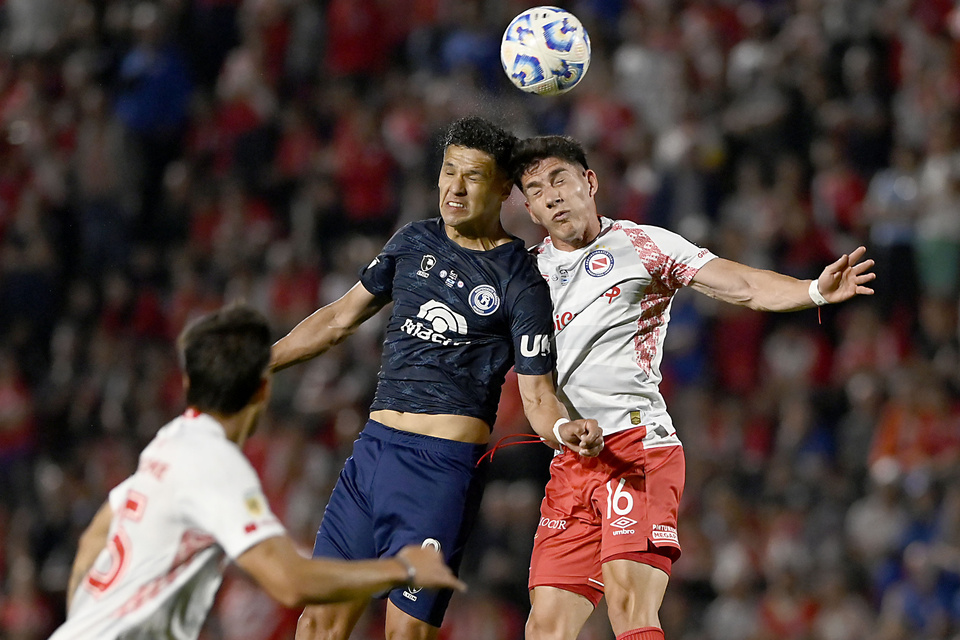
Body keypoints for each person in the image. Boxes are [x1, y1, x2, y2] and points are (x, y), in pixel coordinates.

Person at [509, 135, 876, 640]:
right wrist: (562, 429)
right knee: (545, 626)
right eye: (535, 188)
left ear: (589, 183)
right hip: (571, 462)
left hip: (636, 448)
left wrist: (811, 290)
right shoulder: (525, 277)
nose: (550, 195)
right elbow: (535, 393)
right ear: (528, 208)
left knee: (628, 603)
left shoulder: (644, 245)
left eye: (559, 179)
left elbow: (740, 284)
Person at [270, 117, 604, 640]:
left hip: (438, 474)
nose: (455, 187)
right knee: (318, 623)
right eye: (449, 171)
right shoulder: (412, 242)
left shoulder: (520, 281)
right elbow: (337, 318)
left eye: (472, 176)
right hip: (372, 457)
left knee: (404, 634)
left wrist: (563, 431)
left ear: (501, 189)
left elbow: (537, 395)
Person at [50, 304, 466, 640]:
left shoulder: (171, 440)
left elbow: (94, 539)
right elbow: (289, 581)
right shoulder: (218, 465)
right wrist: (402, 569)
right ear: (263, 389)